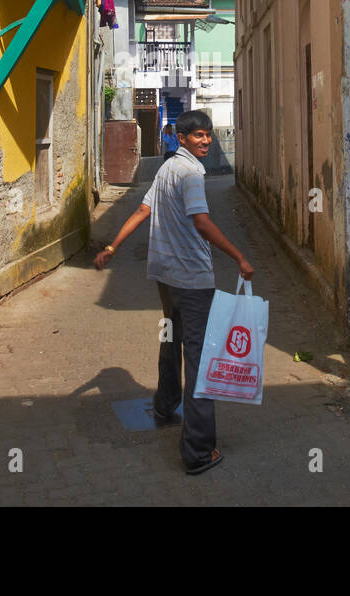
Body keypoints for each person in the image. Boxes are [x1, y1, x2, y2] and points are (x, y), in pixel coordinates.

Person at [94, 110, 255, 475]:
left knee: (172, 338)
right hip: (192, 280)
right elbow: (201, 221)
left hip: (165, 277)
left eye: (208, 135)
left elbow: (142, 210)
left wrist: (113, 248)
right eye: (198, 136)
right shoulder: (192, 173)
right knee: (199, 359)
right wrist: (239, 256)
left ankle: (166, 405)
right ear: (181, 138)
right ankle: (198, 451)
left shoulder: (167, 168)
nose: (206, 141)